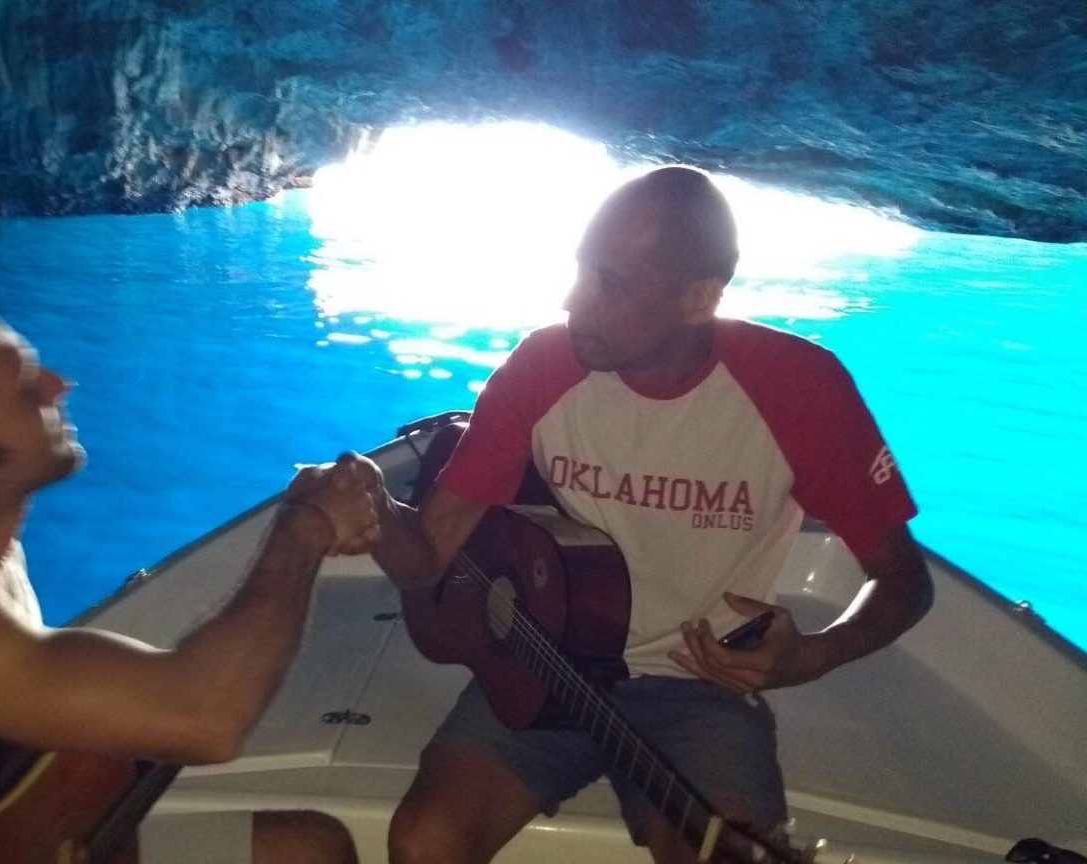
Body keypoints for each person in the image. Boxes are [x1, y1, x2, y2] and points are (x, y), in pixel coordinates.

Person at [346, 166, 934, 864]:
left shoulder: (799, 387)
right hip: (543, 661)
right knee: (423, 844)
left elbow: (904, 579)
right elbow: (431, 550)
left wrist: (813, 654)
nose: (572, 299)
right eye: (579, 270)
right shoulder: (541, 366)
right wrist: (374, 509)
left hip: (701, 687)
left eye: (608, 281)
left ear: (698, 298)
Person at [0, 288, 369, 863]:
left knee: (308, 849)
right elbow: (206, 717)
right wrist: (305, 527)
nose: (57, 385)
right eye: (23, 385)